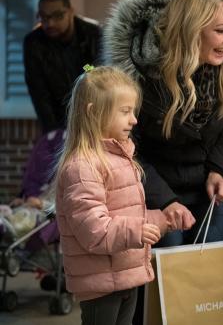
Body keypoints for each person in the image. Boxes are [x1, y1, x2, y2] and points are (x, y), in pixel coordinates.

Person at [105, 0, 223, 246]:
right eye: (222, 30)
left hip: (207, 187)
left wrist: (220, 171)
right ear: (191, 29)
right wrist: (163, 199)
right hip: (152, 187)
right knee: (169, 271)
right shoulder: (139, 70)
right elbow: (124, 145)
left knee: (208, 273)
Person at [54, 66, 168, 325]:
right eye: (125, 112)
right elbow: (93, 230)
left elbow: (125, 213)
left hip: (126, 273)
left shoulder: (119, 158)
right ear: (94, 112)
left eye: (133, 111)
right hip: (100, 282)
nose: (134, 120)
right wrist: (136, 232)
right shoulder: (82, 167)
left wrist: (160, 219)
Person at [24, 0, 102, 133]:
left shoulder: (94, 35)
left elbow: (102, 80)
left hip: (94, 117)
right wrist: (52, 130)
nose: (50, 23)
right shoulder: (34, 43)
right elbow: (38, 91)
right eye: (43, 17)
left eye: (58, 16)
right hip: (57, 120)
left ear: (71, 11)